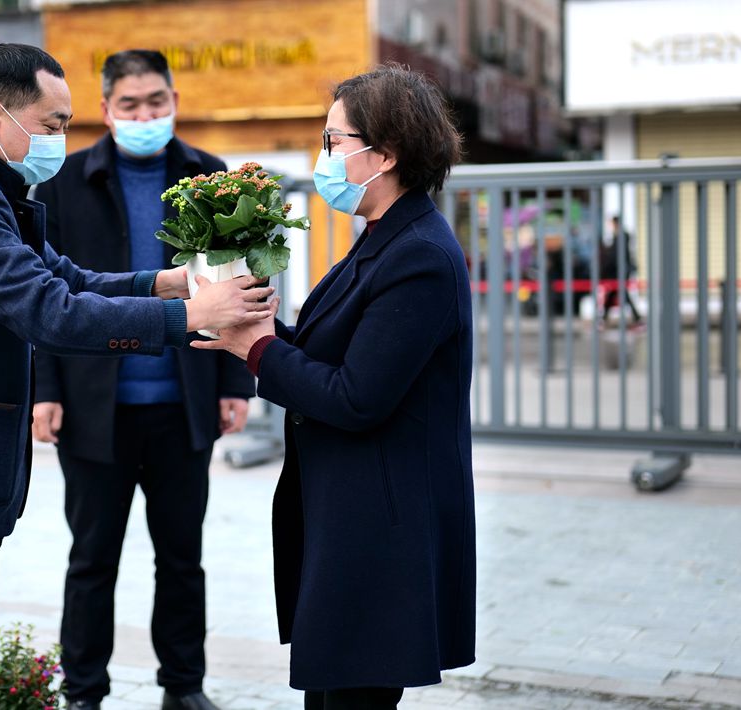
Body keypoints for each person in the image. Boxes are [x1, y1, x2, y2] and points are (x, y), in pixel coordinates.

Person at [0, 43, 274, 710]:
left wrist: (164, 282)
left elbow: (67, 276)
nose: (59, 140)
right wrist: (189, 314)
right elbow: (50, 312)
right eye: (52, 125)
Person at [194, 64, 476, 709]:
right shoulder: (383, 237)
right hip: (347, 513)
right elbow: (333, 350)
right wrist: (257, 325)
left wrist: (259, 348)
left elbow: (357, 397)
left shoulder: (420, 257)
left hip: (382, 527)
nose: (323, 157)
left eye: (333, 141)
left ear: (386, 153)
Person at [31, 50, 253, 710]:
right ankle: (84, 693)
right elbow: (42, 292)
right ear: (106, 110)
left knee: (182, 560)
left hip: (184, 405)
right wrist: (44, 388)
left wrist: (236, 383)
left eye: (156, 101)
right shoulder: (67, 183)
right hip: (93, 408)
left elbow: (241, 282)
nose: (144, 115)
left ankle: (183, 689)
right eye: (129, 105)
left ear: (174, 99)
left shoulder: (211, 178)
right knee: (92, 561)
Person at [600, 215, 643, 325]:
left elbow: (618, 255)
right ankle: (604, 318)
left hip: (621, 271)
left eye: (612, 224)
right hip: (617, 271)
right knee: (615, 293)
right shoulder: (619, 236)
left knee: (620, 293)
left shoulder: (621, 237)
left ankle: (637, 319)